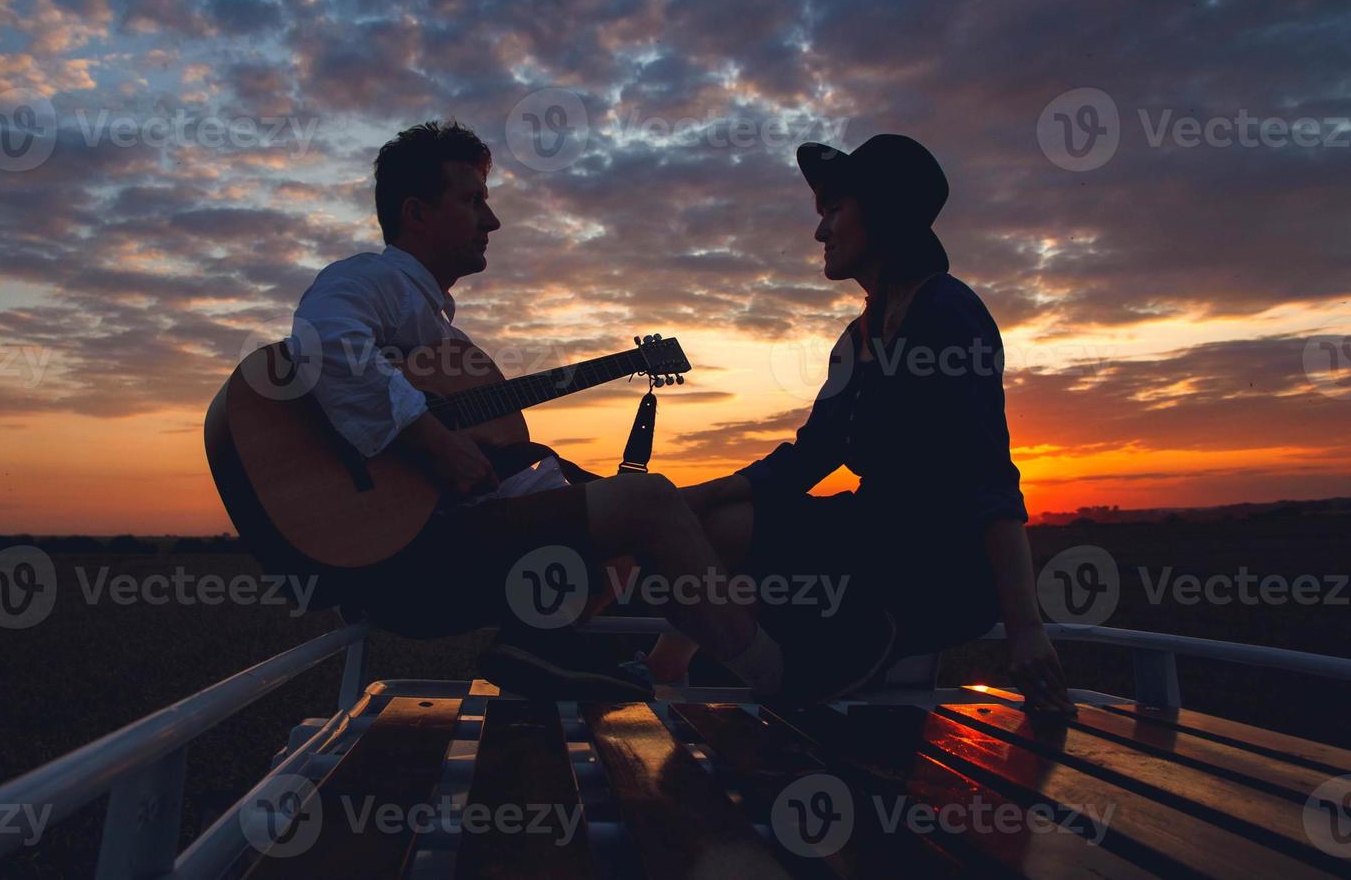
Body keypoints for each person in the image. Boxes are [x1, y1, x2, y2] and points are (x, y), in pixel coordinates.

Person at [286, 120, 791, 701]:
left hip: (450, 538)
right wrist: (428, 435)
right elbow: (325, 340)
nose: (492, 221)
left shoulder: (436, 334)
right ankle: (779, 679)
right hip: (406, 558)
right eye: (472, 200)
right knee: (648, 500)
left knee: (670, 503)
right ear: (416, 213)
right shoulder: (371, 280)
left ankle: (542, 642)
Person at [635, 134, 1076, 713]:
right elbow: (809, 456)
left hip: (940, 558)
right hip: (873, 531)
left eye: (834, 211)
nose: (820, 233)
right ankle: (670, 666)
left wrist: (1025, 626)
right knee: (712, 524)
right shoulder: (858, 337)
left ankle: (817, 662)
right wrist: (686, 498)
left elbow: (986, 474)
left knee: (734, 542)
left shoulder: (947, 312)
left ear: (884, 212)